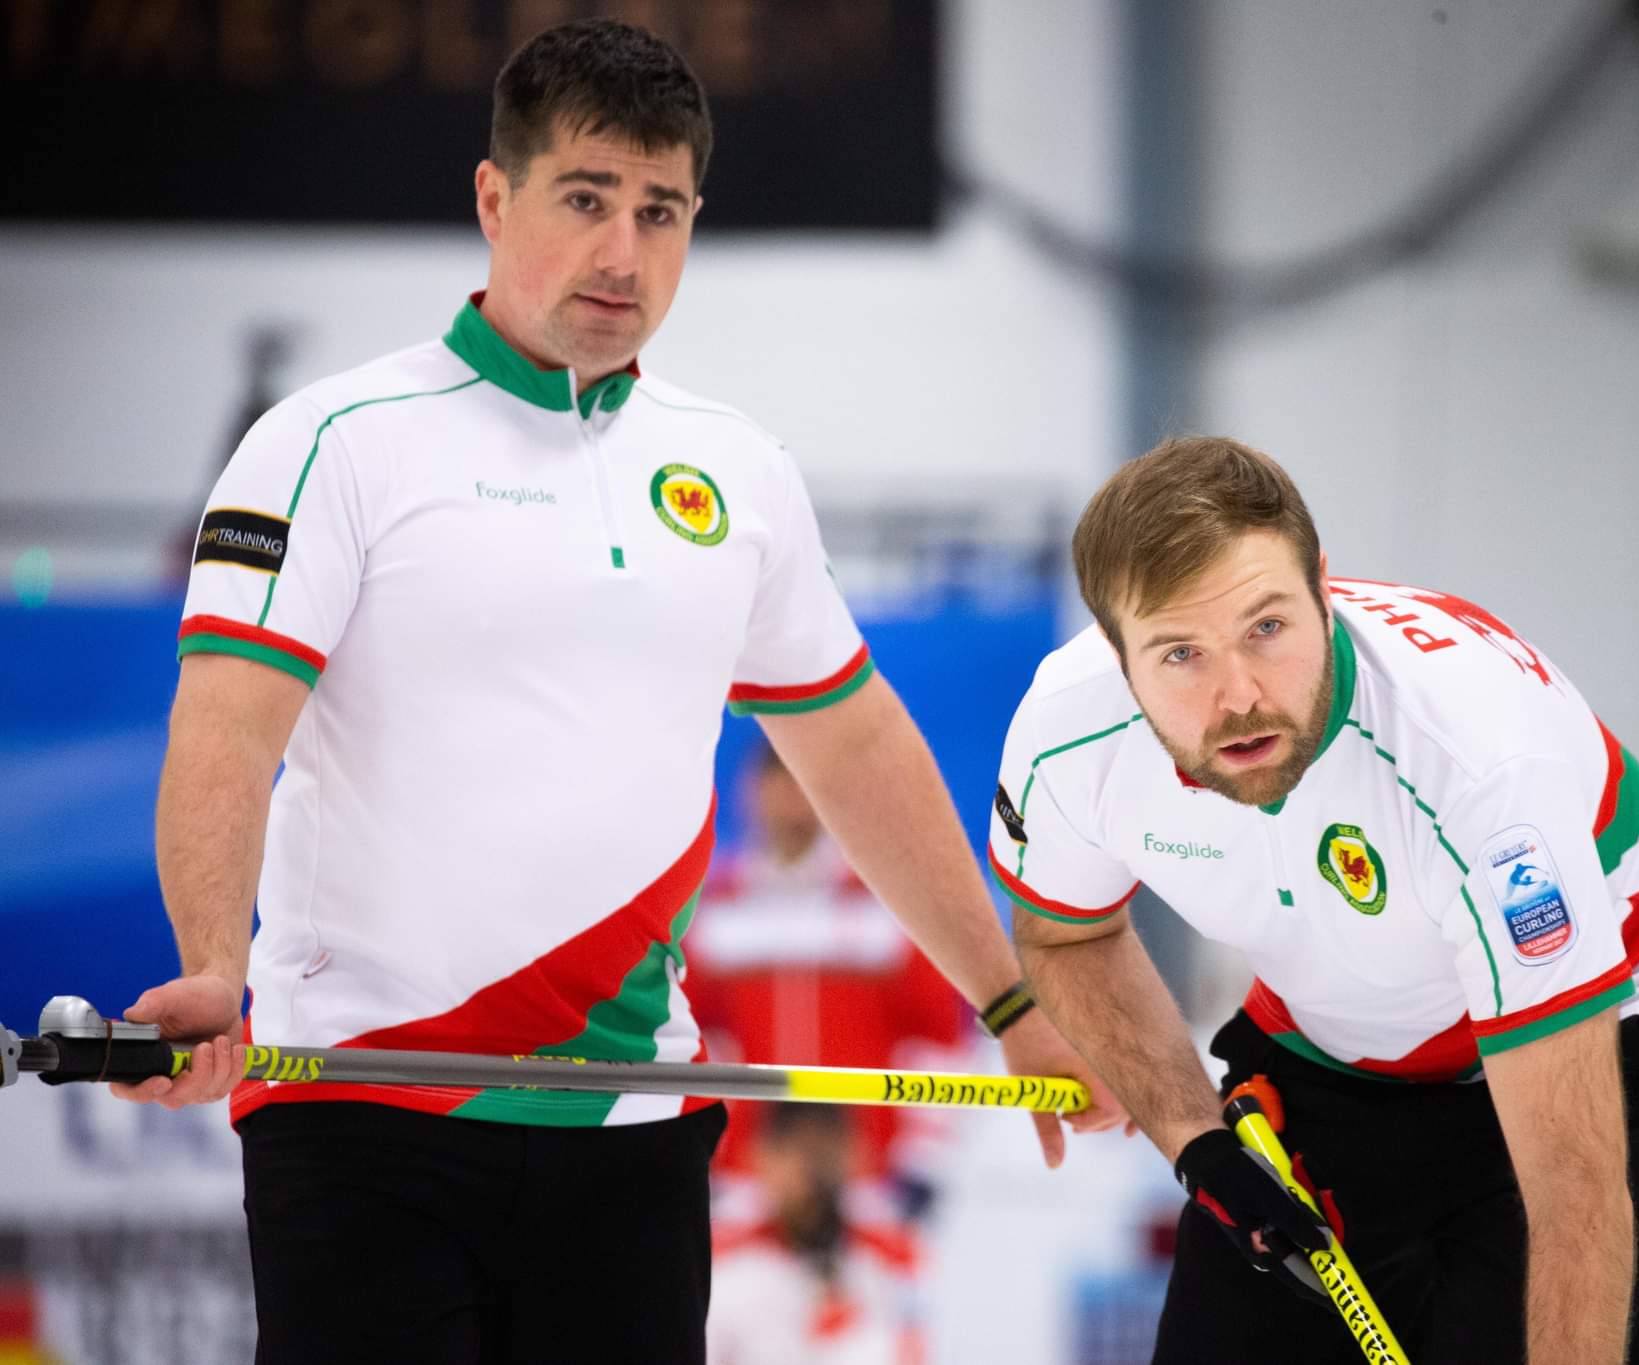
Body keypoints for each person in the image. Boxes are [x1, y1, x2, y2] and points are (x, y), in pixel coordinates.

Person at [111, 19, 1119, 1364]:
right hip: (363, 1112)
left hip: (632, 1125)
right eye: (586, 200)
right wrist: (209, 967)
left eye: (661, 212)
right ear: (493, 198)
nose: (623, 255)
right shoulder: (331, 446)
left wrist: (1013, 1001)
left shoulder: (736, 469)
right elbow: (230, 725)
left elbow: (854, 742)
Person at [988, 437, 1639, 1364]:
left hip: (1610, 1017)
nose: (1240, 696)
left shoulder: (1475, 770)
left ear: (1324, 589)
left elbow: (1574, 1192)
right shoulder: (1069, 736)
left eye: (1268, 627)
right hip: (1336, 1033)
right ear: (1116, 654)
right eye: (1181, 653)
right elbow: (1068, 936)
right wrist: (1197, 1141)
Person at [690, 743, 968, 1206]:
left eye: (802, 780)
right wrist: (702, 1154)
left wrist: (924, 1158)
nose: (790, 798)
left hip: (868, 1182)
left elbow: (939, 1037)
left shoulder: (887, 902)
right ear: (750, 791)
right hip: (745, 1184)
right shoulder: (713, 906)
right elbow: (690, 1043)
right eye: (776, 781)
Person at [706, 1105, 925, 1365]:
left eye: (823, 1150)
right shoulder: (723, 1261)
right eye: (796, 1151)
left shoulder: (893, 1257)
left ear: (855, 1152)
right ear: (761, 1154)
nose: (811, 1172)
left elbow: (909, 1350)